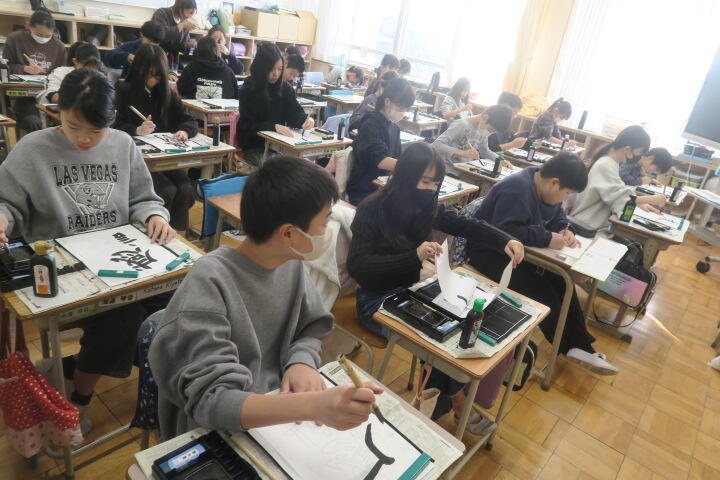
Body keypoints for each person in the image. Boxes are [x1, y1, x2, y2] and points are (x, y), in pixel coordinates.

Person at [149, 156, 383, 440]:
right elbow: (213, 402)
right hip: (216, 429)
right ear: (289, 233)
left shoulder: (291, 263)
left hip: (277, 409)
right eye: (324, 221)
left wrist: (301, 361)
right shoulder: (210, 280)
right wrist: (312, 406)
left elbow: (311, 327)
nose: (326, 231)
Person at [0, 69, 174, 433]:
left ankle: (81, 365)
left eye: (95, 130)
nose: (83, 138)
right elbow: (7, 202)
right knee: (122, 317)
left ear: (111, 119)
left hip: (118, 257)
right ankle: (79, 398)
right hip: (64, 270)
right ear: (58, 111)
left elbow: (143, 198)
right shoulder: (33, 149)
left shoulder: (123, 144)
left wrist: (155, 215)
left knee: (176, 300)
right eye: (73, 125)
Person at [347, 142, 524, 429]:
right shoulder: (372, 209)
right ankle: (458, 403)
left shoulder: (423, 205)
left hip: (410, 292)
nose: (430, 189)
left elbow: (464, 223)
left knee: (452, 329)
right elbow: (359, 267)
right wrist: (413, 256)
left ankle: (439, 406)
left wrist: (505, 240)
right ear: (405, 176)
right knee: (439, 343)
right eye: (425, 181)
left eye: (436, 183)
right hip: (375, 301)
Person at [469, 153, 619, 375]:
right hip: (489, 253)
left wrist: (565, 230)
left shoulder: (544, 187)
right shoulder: (517, 189)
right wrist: (547, 238)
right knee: (542, 291)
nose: (565, 198)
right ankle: (569, 346)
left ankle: (581, 345)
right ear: (554, 183)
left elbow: (558, 216)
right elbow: (506, 231)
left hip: (519, 254)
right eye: (567, 193)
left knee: (562, 282)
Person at [114, 44, 198, 235]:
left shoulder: (167, 93)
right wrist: (136, 130)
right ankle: (153, 233)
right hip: (138, 162)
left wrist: (184, 131)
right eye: (148, 75)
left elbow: (189, 120)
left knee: (185, 188)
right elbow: (114, 128)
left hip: (164, 159)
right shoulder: (123, 90)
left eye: (158, 76)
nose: (152, 81)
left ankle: (176, 236)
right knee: (167, 191)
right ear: (138, 71)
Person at [568, 125, 667, 230]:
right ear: (627, 149)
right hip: (586, 225)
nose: (640, 157)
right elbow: (619, 197)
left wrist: (640, 203)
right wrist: (652, 199)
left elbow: (618, 191)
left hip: (592, 223)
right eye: (639, 153)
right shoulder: (606, 165)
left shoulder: (611, 163)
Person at [236, 43, 313, 165]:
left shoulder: (285, 89)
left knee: (306, 167)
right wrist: (274, 127)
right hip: (255, 146)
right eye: (271, 69)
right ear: (261, 68)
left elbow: (294, 114)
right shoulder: (249, 90)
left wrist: (305, 120)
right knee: (279, 168)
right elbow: (248, 127)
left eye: (280, 69)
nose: (276, 74)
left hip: (280, 145)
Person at [346, 77, 415, 206]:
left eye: (406, 108)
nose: (403, 112)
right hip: (364, 191)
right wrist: (414, 166)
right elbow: (380, 160)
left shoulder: (394, 128)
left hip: (383, 188)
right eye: (400, 107)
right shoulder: (370, 124)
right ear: (387, 101)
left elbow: (396, 159)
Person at [2, 8, 66, 132]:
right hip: (23, 95)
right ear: (29, 25)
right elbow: (5, 67)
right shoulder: (14, 39)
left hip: (48, 94)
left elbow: (62, 73)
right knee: (33, 122)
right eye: (39, 35)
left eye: (48, 36)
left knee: (60, 123)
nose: (43, 38)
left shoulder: (59, 47)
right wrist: (24, 68)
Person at [432, 104, 514, 176]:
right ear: (485, 118)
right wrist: (462, 153)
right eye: (491, 129)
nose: (490, 133)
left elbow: (485, 151)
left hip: (464, 171)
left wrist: (500, 161)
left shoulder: (482, 130)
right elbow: (436, 145)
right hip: (447, 171)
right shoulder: (462, 124)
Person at [38, 42, 103, 104]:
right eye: (85, 68)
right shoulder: (61, 72)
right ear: (75, 61)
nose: (90, 72)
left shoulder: (101, 76)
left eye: (94, 69)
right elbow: (51, 96)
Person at [151, 0, 198, 71]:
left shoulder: (184, 21)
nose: (191, 16)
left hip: (172, 64)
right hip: (156, 60)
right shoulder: (161, 13)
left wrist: (188, 46)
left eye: (193, 13)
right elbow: (161, 36)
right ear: (180, 8)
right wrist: (182, 25)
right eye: (190, 12)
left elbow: (181, 47)